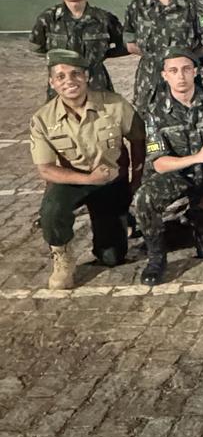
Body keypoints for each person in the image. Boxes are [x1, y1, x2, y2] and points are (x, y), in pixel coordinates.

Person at [29, 50, 145, 289]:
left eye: (76, 74)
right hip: (71, 181)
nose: (69, 81)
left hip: (109, 181)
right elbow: (46, 169)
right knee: (52, 210)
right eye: (60, 77)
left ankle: (116, 226)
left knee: (112, 257)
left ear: (87, 76)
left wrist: (135, 180)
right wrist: (88, 178)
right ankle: (61, 255)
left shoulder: (114, 105)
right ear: (52, 83)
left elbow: (138, 139)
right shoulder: (42, 119)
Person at [135, 47, 203, 285]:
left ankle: (185, 222)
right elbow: (159, 163)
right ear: (164, 75)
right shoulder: (156, 111)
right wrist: (197, 157)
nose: (181, 76)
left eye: (186, 69)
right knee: (144, 198)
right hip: (177, 178)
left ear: (195, 72)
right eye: (174, 71)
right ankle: (156, 257)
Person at [29, 0, 124, 93]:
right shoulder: (48, 19)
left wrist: (101, 55)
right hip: (63, 86)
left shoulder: (104, 19)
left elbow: (125, 45)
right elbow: (36, 47)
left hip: (96, 86)